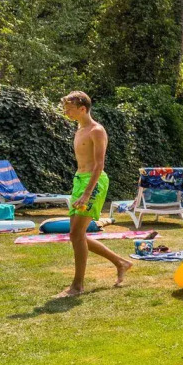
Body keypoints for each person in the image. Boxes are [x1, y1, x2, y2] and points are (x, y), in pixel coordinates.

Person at [58, 91, 131, 297]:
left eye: (70, 109)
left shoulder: (96, 130)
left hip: (94, 181)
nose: (66, 113)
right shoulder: (79, 129)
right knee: (75, 234)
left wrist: (88, 193)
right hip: (79, 180)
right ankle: (121, 262)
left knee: (76, 234)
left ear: (83, 108)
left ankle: (78, 286)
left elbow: (99, 165)